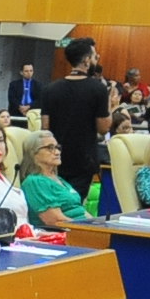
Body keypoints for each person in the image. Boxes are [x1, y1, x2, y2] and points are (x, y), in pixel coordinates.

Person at [40, 36, 111, 191]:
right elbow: (103, 128)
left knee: (56, 198)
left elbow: (45, 127)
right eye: (95, 56)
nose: (97, 59)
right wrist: (110, 103)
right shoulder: (98, 89)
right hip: (83, 160)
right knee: (76, 202)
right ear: (86, 60)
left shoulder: (49, 89)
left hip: (55, 156)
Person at [18, 133, 87, 232]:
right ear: (33, 153)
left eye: (57, 147)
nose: (57, 152)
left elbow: (81, 211)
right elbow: (55, 220)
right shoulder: (35, 181)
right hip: (65, 233)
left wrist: (99, 225)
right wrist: (89, 230)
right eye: (50, 148)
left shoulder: (58, 179)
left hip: (81, 229)